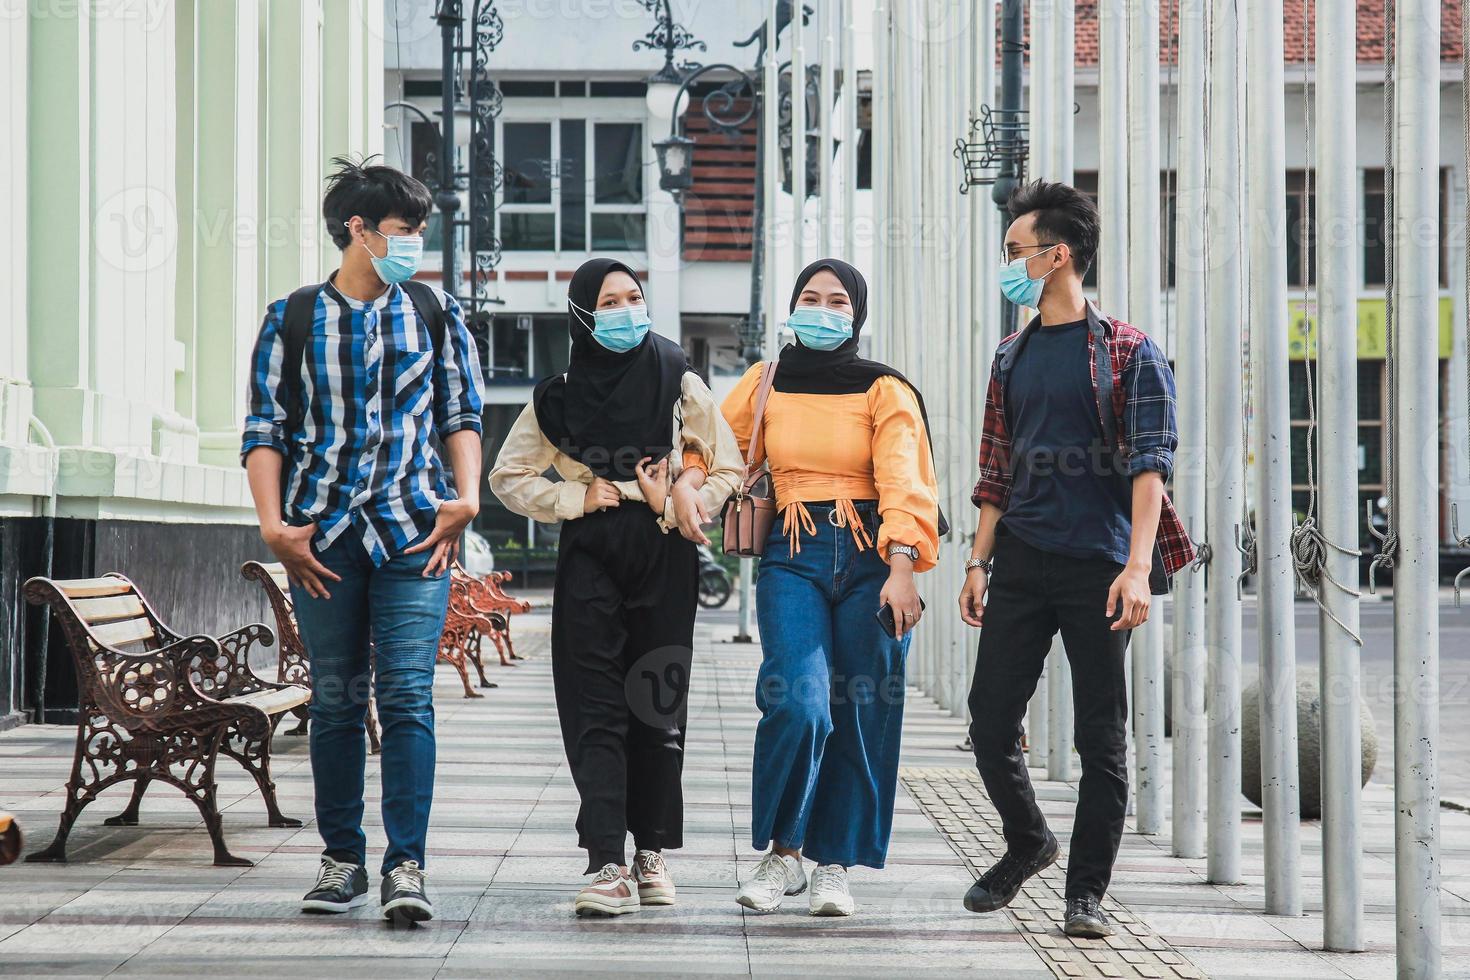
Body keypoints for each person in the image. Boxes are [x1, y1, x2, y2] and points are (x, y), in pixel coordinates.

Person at [241, 158, 484, 923]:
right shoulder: (294, 316)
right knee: (339, 701)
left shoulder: (435, 311)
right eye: (405, 231)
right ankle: (340, 859)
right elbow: (264, 428)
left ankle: (405, 866)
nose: (415, 244)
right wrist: (273, 527)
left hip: (416, 532)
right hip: (324, 538)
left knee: (408, 698)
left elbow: (460, 413)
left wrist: (467, 498)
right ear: (358, 229)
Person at [957, 180, 1194, 938]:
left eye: (1015, 253)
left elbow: (1149, 467)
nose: (1008, 266)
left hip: (1099, 566)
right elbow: (997, 467)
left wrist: (1134, 569)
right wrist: (977, 563)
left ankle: (1085, 894)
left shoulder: (1129, 351)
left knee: (1102, 737)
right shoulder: (1010, 355)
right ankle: (1029, 841)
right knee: (990, 721)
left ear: (1058, 257)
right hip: (1022, 559)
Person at [488, 258, 744, 917]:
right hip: (592, 551)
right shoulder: (559, 393)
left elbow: (727, 467)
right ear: (581, 313)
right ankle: (606, 859)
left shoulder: (675, 375)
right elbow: (508, 477)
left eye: (634, 297)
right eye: (610, 301)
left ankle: (650, 850)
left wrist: (682, 500)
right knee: (593, 704)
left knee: (655, 704)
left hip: (663, 551)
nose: (627, 310)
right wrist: (576, 495)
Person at [721, 259, 940, 918]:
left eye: (837, 300)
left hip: (874, 554)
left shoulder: (884, 389)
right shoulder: (765, 383)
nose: (823, 308)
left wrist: (903, 567)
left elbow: (906, 478)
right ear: (792, 307)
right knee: (800, 699)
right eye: (810, 297)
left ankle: (833, 864)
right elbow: (717, 448)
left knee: (864, 707)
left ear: (857, 314)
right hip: (792, 549)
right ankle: (783, 853)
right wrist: (684, 479)